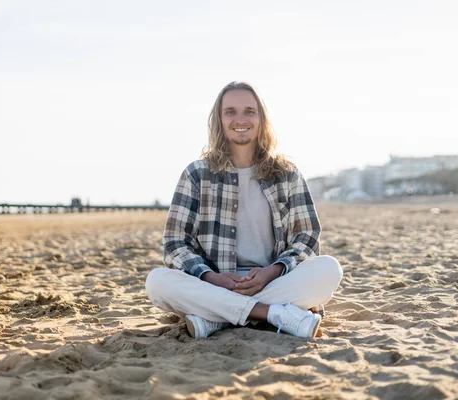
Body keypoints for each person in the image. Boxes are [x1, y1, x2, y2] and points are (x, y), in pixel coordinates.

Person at [145, 81, 343, 339]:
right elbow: (175, 243)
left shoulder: (287, 174)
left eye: (249, 111)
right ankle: (274, 314)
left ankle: (216, 319)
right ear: (219, 119)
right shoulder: (196, 174)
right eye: (230, 111)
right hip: (214, 284)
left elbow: (307, 238)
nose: (240, 119)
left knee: (328, 269)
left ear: (261, 119)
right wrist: (211, 278)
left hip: (273, 281)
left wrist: (272, 271)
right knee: (158, 282)